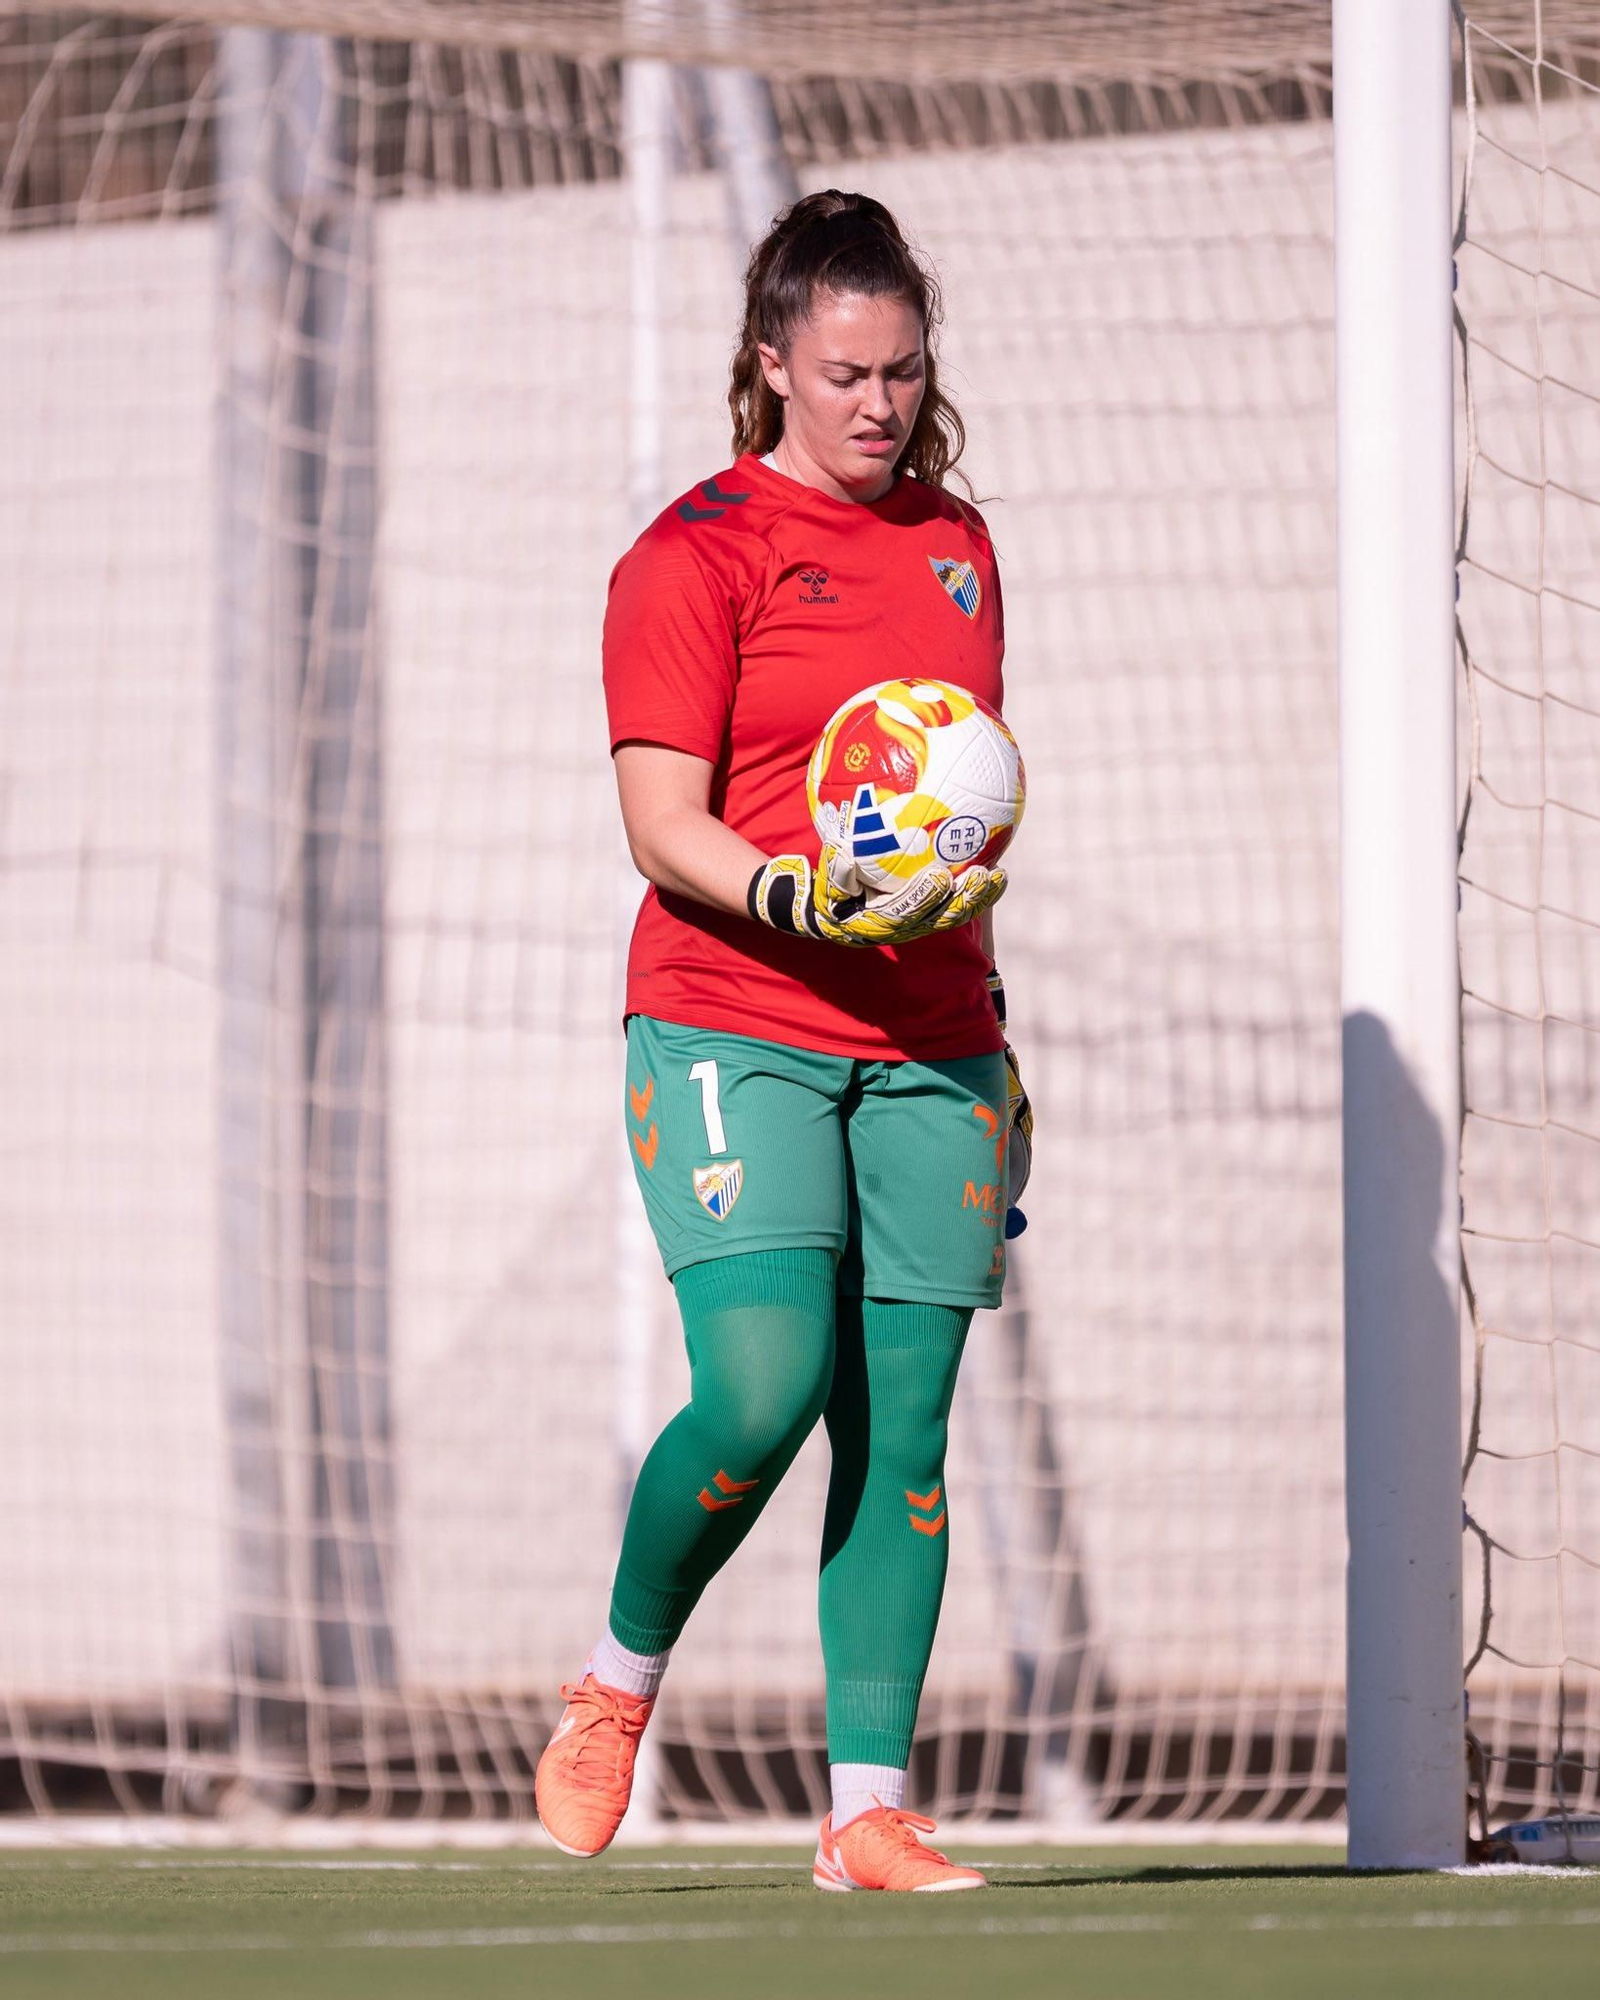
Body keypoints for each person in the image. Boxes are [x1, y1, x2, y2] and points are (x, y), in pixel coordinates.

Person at [534, 189, 1031, 1894]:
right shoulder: (688, 555)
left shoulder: (960, 545)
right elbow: (661, 823)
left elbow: (948, 821)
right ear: (771, 368)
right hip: (731, 1013)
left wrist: (996, 1038)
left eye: (901, 371)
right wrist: (794, 897)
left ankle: (866, 1814)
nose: (879, 404)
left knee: (905, 1432)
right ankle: (616, 1683)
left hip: (934, 1044)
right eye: (843, 374)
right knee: (764, 1388)